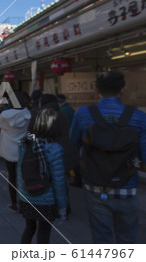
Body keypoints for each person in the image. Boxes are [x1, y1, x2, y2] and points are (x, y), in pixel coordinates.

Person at [70, 71, 146, 244]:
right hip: (128, 186)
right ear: (123, 89)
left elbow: (74, 141)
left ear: (96, 90)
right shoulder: (139, 117)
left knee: (101, 237)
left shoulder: (83, 114)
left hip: (95, 186)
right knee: (127, 238)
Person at [17, 108, 68, 244]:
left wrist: (20, 195)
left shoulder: (24, 143)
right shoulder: (54, 149)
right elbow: (59, 181)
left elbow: (20, 171)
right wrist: (62, 206)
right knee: (44, 233)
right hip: (46, 199)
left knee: (29, 227)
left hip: (27, 196)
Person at [0, 91, 31, 213]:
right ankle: (25, 202)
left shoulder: (6, 115)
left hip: (9, 149)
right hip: (22, 149)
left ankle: (14, 203)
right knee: (24, 176)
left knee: (12, 177)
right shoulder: (27, 114)